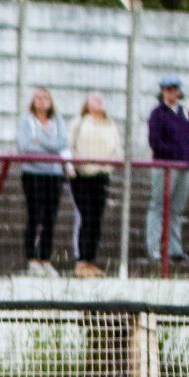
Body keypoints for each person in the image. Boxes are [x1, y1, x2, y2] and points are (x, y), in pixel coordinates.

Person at [68, 92, 122, 278]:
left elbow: (117, 148)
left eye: (101, 99)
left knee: (97, 219)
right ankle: (81, 260)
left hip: (102, 175)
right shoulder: (79, 122)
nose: (99, 102)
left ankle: (91, 260)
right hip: (82, 175)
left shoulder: (110, 124)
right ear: (87, 103)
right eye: (94, 99)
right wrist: (74, 166)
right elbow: (70, 145)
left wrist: (109, 164)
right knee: (86, 216)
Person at [16, 87, 69, 277]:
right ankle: (32, 259)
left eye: (45, 97)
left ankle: (46, 259)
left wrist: (40, 142)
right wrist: (47, 147)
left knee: (50, 219)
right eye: (38, 97)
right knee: (34, 216)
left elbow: (62, 143)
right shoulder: (26, 121)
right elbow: (24, 145)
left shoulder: (58, 121)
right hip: (33, 173)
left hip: (54, 174)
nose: (41, 101)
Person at [145, 75, 189, 262]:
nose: (172, 92)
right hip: (165, 167)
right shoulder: (157, 114)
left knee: (176, 208)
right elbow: (155, 142)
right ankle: (153, 249)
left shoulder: (184, 112)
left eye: (174, 89)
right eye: (168, 89)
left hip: (185, 166)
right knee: (158, 205)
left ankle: (174, 248)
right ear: (162, 92)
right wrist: (176, 154)